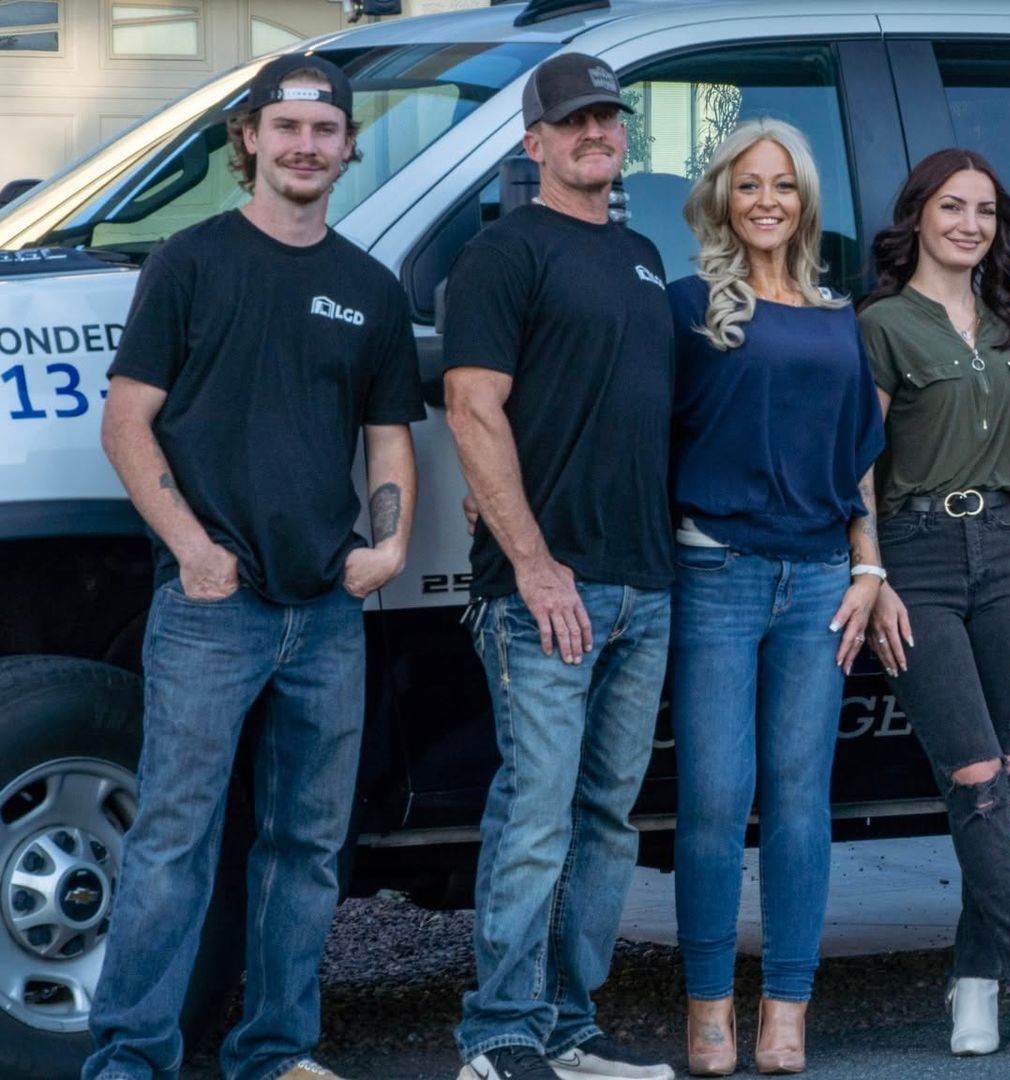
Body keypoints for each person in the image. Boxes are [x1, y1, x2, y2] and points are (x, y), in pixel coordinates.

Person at [86, 55, 422, 1080]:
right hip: (209, 609)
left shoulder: (368, 289)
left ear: (347, 147)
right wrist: (192, 549)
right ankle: (129, 1058)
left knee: (307, 851)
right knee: (172, 842)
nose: (306, 148)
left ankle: (275, 1052)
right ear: (251, 141)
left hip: (326, 612)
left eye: (325, 133)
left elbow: (389, 437)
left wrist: (392, 546)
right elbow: (126, 423)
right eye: (287, 130)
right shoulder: (190, 262)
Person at [442, 53, 676, 1080]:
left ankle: (569, 1029)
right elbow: (472, 408)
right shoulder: (503, 255)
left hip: (645, 584)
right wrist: (534, 565)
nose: (595, 134)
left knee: (606, 819)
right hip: (546, 586)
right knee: (534, 811)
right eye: (573, 122)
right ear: (533, 143)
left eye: (607, 120)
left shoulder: (642, 255)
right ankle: (498, 1035)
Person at [856, 148, 1010, 1058]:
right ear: (918, 215)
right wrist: (870, 571)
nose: (970, 224)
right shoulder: (882, 323)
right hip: (916, 551)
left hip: (1006, 549)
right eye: (953, 207)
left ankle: (971, 994)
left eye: (987, 212)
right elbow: (859, 464)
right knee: (970, 775)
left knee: (1003, 780)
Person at [666, 117, 885, 1075]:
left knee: (802, 800)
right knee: (715, 799)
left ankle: (786, 1003)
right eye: (748, 184)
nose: (766, 200)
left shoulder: (842, 317)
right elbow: (639, 432)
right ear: (722, 197)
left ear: (805, 202)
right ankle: (708, 1005)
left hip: (820, 585)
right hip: (715, 568)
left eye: (783, 185)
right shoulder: (685, 306)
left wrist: (868, 566)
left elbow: (862, 459)